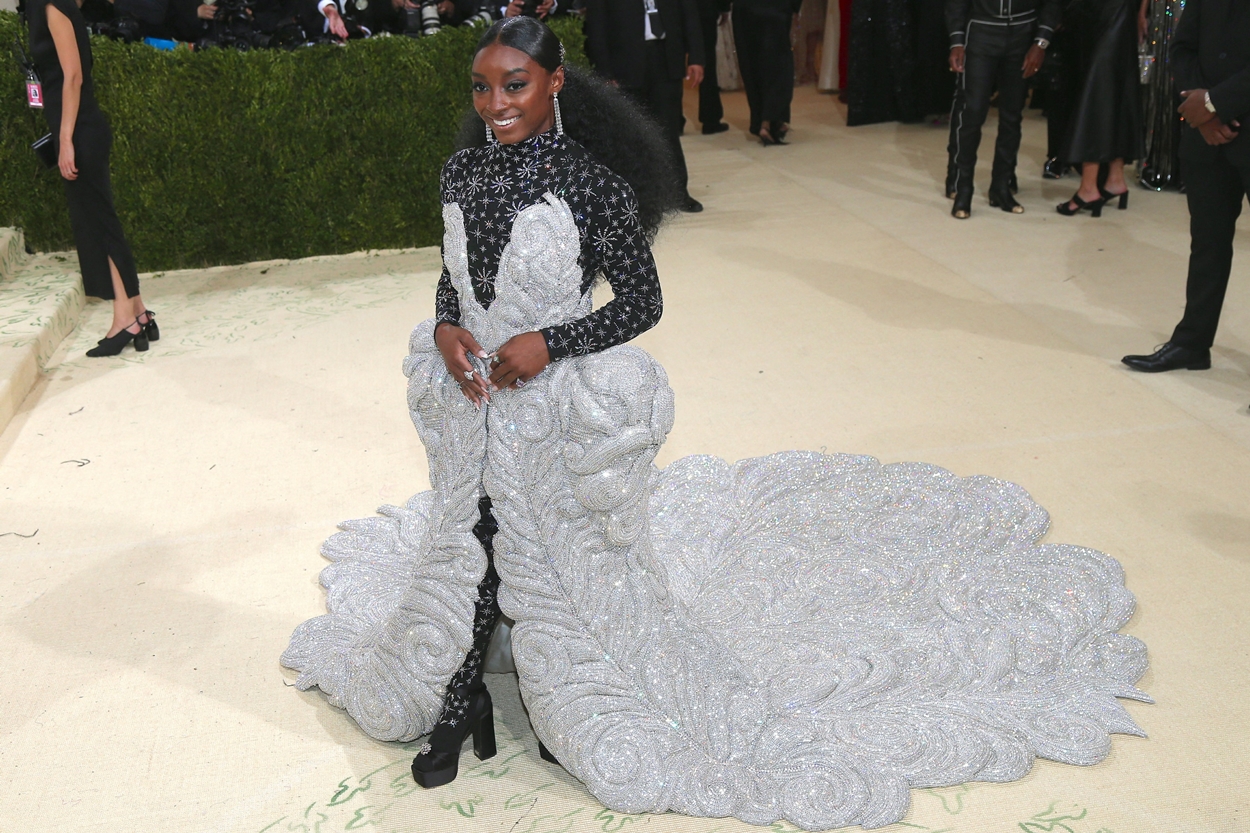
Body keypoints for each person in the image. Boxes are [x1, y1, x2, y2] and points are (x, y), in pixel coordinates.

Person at [282, 17, 1150, 831]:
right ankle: (463, 690)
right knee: (468, 534)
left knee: (546, 552)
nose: (495, 105)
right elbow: (452, 280)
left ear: (554, 84)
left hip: (550, 417)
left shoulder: (592, 185)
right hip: (472, 401)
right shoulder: (460, 171)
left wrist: (552, 342)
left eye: (514, 85)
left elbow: (643, 303)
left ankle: (561, 689)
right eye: (480, 89)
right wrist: (445, 328)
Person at [1121, 0, 1250, 372]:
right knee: (1207, 245)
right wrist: (1202, 112)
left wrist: (1214, 103)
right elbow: (1182, 47)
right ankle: (1192, 343)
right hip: (1206, 138)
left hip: (1229, 122)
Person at [27, 0, 158, 357]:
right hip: (77, 129)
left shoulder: (54, 6)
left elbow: (73, 76)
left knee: (101, 226)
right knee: (101, 222)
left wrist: (66, 140)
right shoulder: (49, 6)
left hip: (81, 131)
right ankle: (140, 313)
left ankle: (124, 320)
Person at [585, 0, 706, 211]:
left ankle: (678, 192)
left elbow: (689, 13)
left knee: (668, 129)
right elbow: (597, 24)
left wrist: (696, 56)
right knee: (629, 134)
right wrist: (604, 71)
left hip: (667, 58)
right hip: (625, 62)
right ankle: (633, 196)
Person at [945, 0, 1059, 218]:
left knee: (1012, 114)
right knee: (973, 111)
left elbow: (1052, 4)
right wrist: (956, 41)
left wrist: (1041, 42)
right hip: (980, 31)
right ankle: (963, 188)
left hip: (1023, 34)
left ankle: (1001, 186)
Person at [1054, 0, 1145, 216]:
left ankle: (1089, 187)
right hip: (1113, 12)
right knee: (1115, 89)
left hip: (1107, 12)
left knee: (1097, 92)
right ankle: (1115, 179)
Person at [732, 0, 800, 144]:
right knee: (778, 63)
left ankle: (761, 120)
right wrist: (795, 6)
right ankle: (770, 120)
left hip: (744, 9)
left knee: (751, 63)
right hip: (775, 8)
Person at [696, 0, 730, 134]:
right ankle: (710, 119)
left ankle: (674, 120)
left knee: (674, 61)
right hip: (705, 8)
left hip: (675, 8)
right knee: (707, 63)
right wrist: (724, 7)